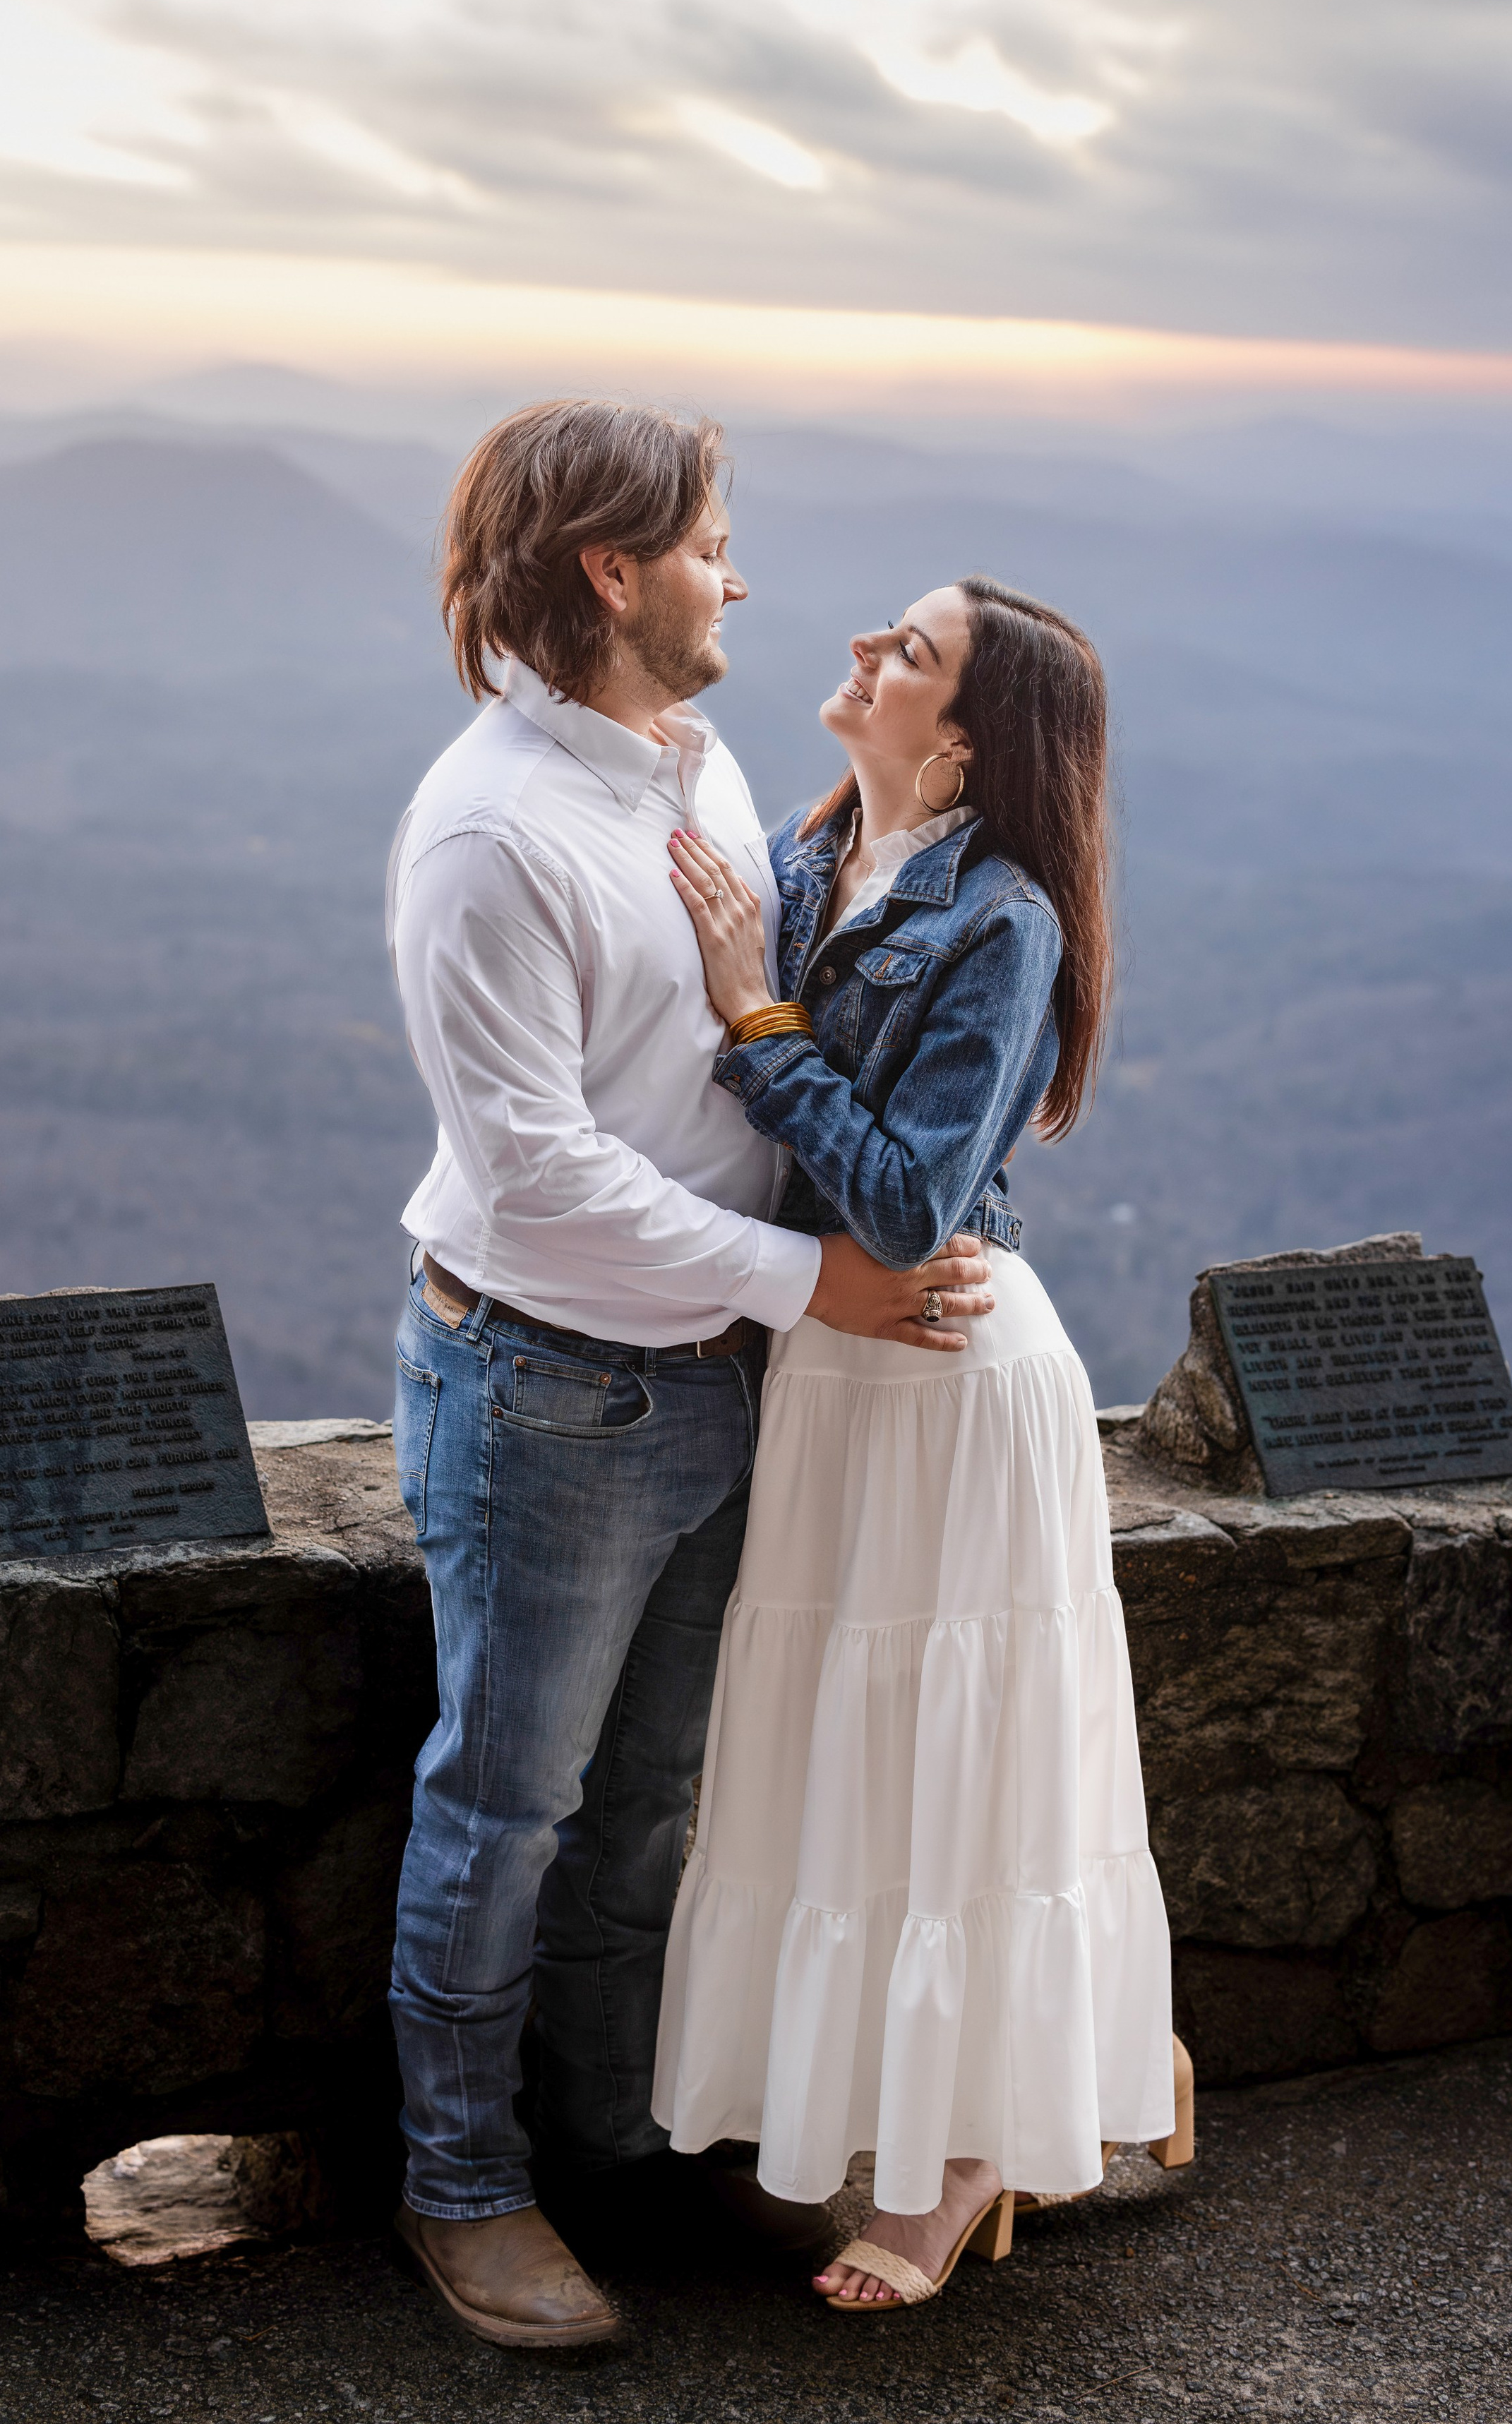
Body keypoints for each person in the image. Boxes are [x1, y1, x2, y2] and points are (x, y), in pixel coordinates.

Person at [383, 398, 997, 2351]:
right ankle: (463, 2182)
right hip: (548, 1390)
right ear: (612, 569)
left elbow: (774, 1016)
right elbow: (538, 1165)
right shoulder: (492, 830)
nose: (743, 575)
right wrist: (814, 1277)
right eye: (716, 542)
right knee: (509, 1799)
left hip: (720, 1371)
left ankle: (621, 2141)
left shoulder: (702, 766)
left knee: (653, 1802)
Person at [652, 573, 1181, 2309]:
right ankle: (1032, 2080)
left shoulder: (998, 919)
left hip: (950, 1369)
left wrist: (756, 1014)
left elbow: (897, 1200)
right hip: (832, 1371)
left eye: (911, 652)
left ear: (962, 735)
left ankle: (967, 2158)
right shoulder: (812, 854)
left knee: (965, 1762)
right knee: (839, 1755)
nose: (864, 652)